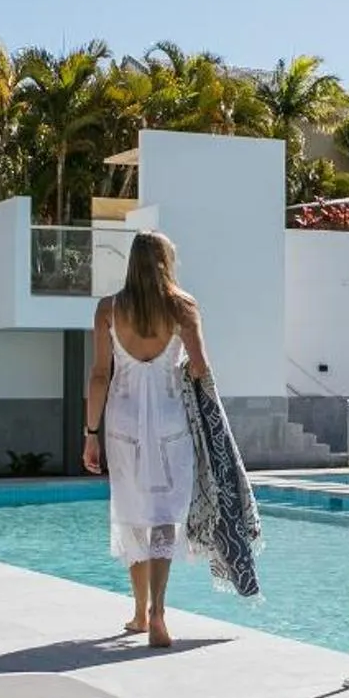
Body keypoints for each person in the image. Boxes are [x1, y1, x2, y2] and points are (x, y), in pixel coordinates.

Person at [83, 231, 212, 648]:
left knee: (132, 510)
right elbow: (200, 368)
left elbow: (100, 374)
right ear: (165, 263)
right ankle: (158, 611)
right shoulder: (182, 306)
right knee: (162, 515)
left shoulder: (108, 309)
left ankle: (138, 613)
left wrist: (90, 434)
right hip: (170, 420)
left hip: (121, 422)